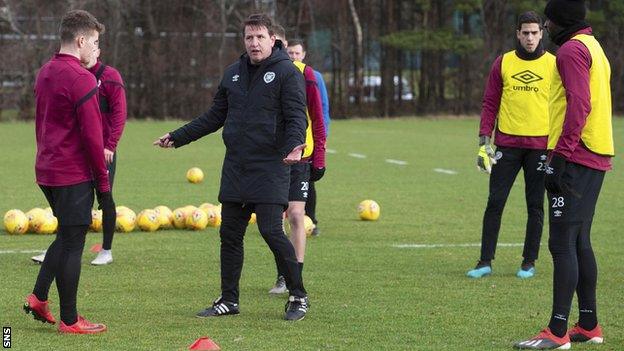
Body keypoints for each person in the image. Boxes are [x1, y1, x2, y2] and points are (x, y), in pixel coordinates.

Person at [154, 14, 310, 321]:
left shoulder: (287, 73)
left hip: (270, 166)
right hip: (237, 167)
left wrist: (295, 144)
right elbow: (214, 116)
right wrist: (178, 136)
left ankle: (298, 295)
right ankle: (229, 300)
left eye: (260, 37)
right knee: (230, 235)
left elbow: (296, 118)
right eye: (249, 38)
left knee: (270, 231)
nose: (254, 43)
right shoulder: (233, 74)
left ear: (272, 40)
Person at [514, 0, 612, 348]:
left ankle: (556, 332)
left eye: (549, 20)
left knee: (560, 243)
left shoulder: (571, 52)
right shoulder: (593, 45)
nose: (546, 27)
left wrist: (559, 157)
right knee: (579, 239)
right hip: (597, 154)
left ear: (561, 21)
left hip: (576, 157)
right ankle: (588, 324)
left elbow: (580, 105)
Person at [23, 9, 112, 334]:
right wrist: (103, 187)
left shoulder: (45, 72)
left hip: (46, 170)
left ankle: (39, 297)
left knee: (65, 235)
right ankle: (71, 320)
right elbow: (92, 138)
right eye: (95, 42)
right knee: (74, 242)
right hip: (72, 173)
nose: (96, 48)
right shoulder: (82, 78)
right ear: (80, 40)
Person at [467, 11, 556, 279]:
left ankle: (528, 262)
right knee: (495, 202)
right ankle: (484, 261)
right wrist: (484, 140)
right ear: (517, 33)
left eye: (534, 32)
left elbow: (563, 106)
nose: (530, 38)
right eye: (525, 33)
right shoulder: (502, 63)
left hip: (540, 147)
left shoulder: (555, 64)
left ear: (542, 33)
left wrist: (557, 146)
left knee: (535, 206)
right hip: (506, 144)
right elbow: (490, 102)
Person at [30, 48, 127, 266]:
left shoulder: (110, 76)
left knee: (106, 198)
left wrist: (110, 146)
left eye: (94, 45)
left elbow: (120, 114)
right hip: (75, 155)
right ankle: (59, 247)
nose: (88, 51)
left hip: (103, 151)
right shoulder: (72, 75)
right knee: (68, 206)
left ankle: (106, 250)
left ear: (98, 51)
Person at [268, 29, 326, 295]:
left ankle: (295, 276)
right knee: (273, 219)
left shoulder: (306, 74)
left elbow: (318, 116)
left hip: (301, 156)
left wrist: (319, 157)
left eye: (282, 45)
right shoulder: (261, 74)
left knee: (296, 214)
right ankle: (282, 273)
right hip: (271, 157)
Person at [287, 39, 332, 237]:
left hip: (309, 141)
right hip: (290, 141)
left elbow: (321, 109)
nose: (294, 56)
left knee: (308, 183)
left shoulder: (313, 76)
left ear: (303, 54)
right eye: (291, 53)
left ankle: (311, 220)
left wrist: (324, 136)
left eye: (297, 53)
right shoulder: (285, 74)